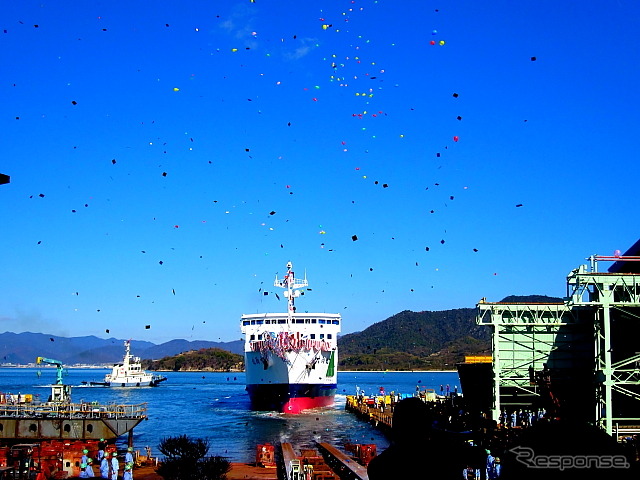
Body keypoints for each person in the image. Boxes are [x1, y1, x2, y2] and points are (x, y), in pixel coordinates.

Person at [367, 397, 483, 479]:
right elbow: (477, 457)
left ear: (396, 426)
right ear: (427, 425)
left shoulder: (379, 466)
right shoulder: (445, 459)